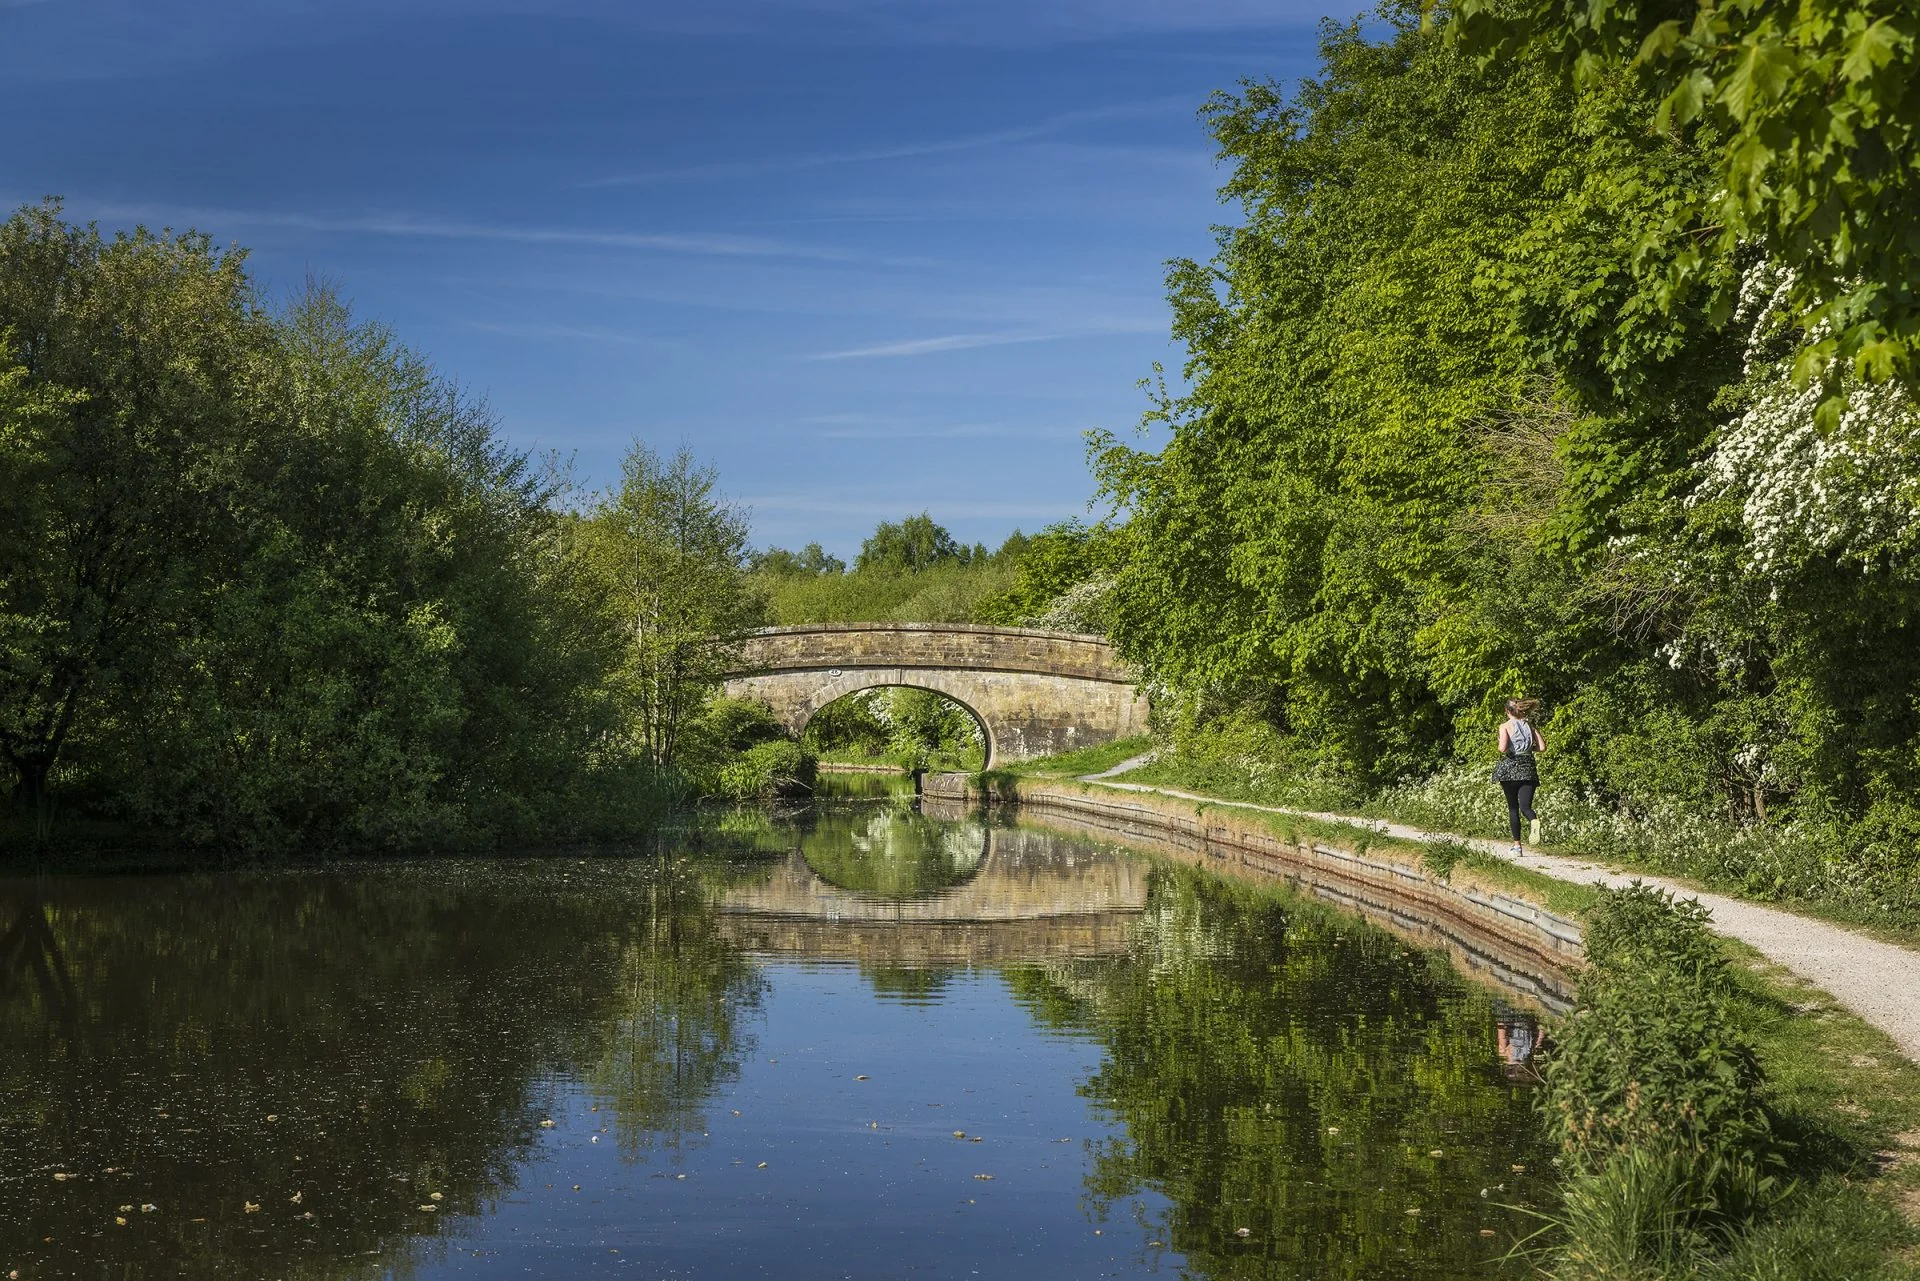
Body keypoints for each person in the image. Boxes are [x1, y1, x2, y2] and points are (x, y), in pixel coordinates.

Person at [1493, 697, 1546, 856]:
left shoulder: (1505, 726)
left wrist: (1502, 742)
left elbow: (1502, 748)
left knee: (1513, 808)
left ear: (1507, 711)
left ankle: (1517, 847)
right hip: (1528, 769)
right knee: (1525, 807)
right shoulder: (1530, 726)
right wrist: (1528, 749)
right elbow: (1542, 747)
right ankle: (1533, 820)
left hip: (1510, 770)